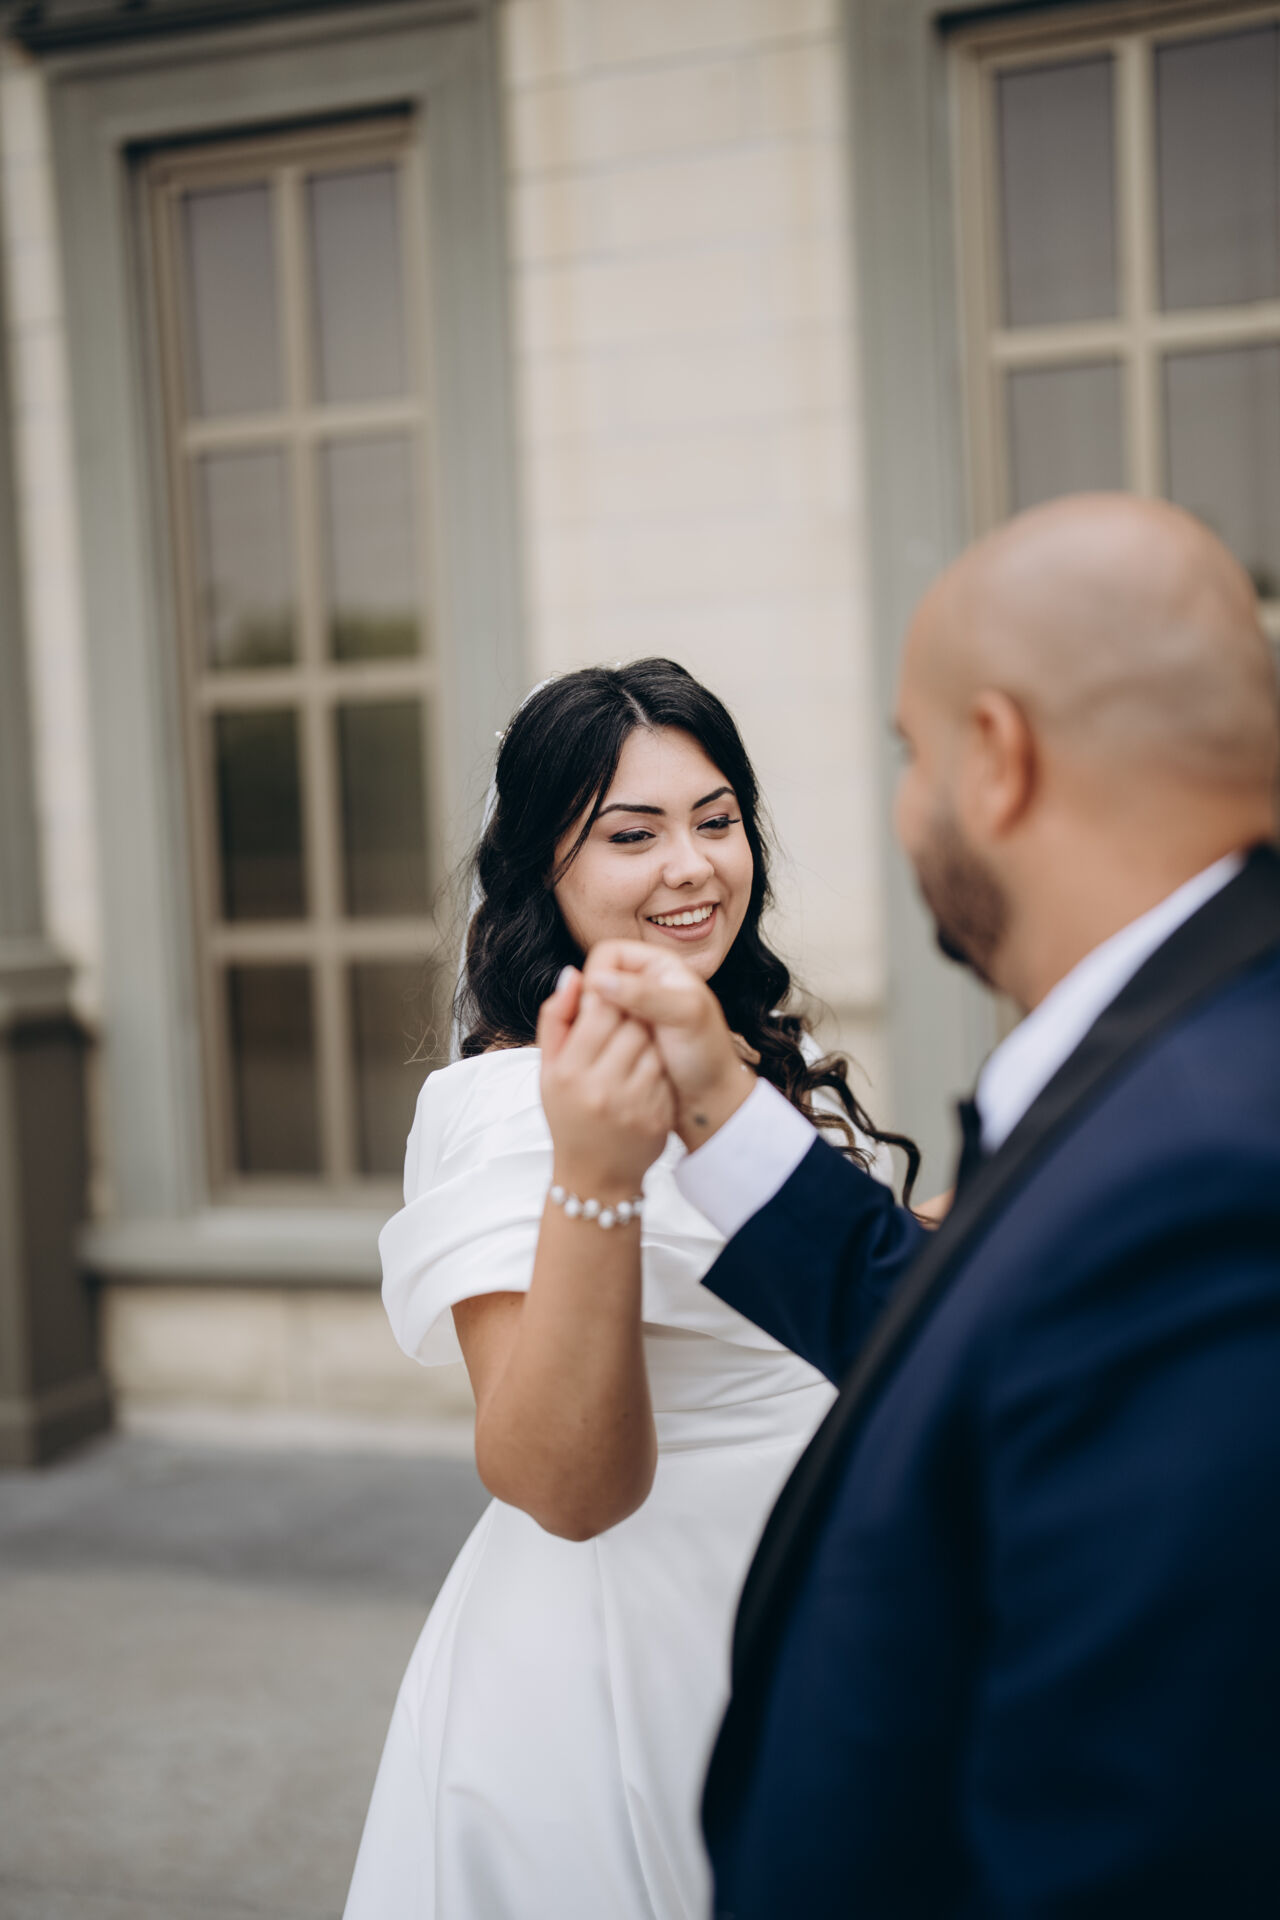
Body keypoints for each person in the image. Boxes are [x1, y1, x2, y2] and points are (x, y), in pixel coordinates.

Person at [580, 494, 1280, 1918]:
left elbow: (1135, 1829)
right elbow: (979, 1337)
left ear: (998, 760)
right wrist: (717, 1102)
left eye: (911, 755)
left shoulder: (1207, 1171)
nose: (906, 807)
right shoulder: (1200, 1039)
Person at [343, 659, 919, 1920]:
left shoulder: (753, 1043)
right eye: (631, 834)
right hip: (632, 1653)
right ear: (540, 866)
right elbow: (559, 1484)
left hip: (810, 1613)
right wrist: (595, 1175)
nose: (692, 867)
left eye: (717, 820)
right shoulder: (513, 1107)